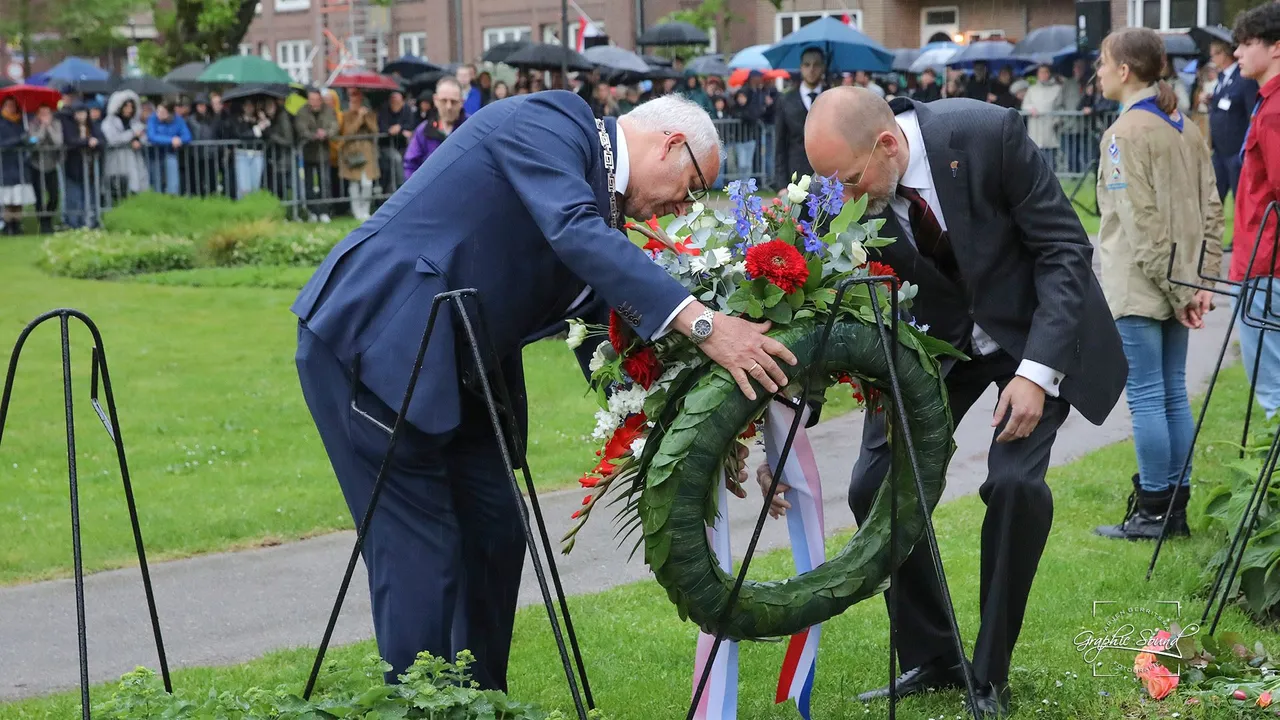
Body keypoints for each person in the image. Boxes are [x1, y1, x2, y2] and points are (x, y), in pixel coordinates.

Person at [291, 90, 793, 693]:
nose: (677, 209)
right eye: (689, 187)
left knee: (496, 528)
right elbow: (571, 231)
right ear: (669, 143)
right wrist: (706, 325)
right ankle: (420, 706)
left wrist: (696, 431)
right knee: (420, 550)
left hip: (459, 366)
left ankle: (479, 702)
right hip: (373, 339)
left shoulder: (599, 212)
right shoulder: (553, 121)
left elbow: (604, 342)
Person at [795, 86, 1125, 718]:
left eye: (848, 180)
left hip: (1031, 334)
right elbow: (819, 302)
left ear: (888, 145)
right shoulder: (839, 187)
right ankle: (935, 656)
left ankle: (990, 672)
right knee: (874, 487)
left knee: (1014, 487)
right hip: (937, 345)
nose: (839, 197)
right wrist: (789, 426)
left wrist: (1036, 373)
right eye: (827, 182)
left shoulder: (986, 133)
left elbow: (1064, 251)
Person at [1090, 27, 1223, 541]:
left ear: (1125, 70)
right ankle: (1175, 508)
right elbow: (1213, 208)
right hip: (1177, 283)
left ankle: (1152, 513)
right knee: (1171, 394)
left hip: (1145, 285)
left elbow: (1140, 222)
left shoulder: (1123, 135)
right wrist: (1198, 283)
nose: (1098, 71)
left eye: (1103, 62)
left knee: (1148, 396)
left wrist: (1182, 290)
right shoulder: (1186, 126)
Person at [1229, 2, 1280, 423]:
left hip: (1268, 267)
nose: (1237, 53)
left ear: (1276, 48)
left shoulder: (1276, 109)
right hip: (1263, 263)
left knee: (1272, 392)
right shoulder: (1267, 103)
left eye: (1248, 43)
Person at [1208, 38, 1259, 206]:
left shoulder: (1243, 78)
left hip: (1235, 151)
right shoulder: (1221, 78)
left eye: (1215, 53)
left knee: (1241, 200)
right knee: (1214, 199)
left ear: (1226, 53)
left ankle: (1241, 232)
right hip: (1219, 150)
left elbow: (1251, 113)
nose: (1212, 58)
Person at [774, 47, 825, 192]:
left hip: (827, 175)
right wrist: (782, 184)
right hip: (795, 174)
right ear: (801, 67)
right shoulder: (786, 100)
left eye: (816, 65)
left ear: (823, 67)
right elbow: (780, 143)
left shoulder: (832, 97)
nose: (811, 69)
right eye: (807, 65)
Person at [403, 76, 465, 179]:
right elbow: (411, 165)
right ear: (435, 100)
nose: (448, 107)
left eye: (453, 101)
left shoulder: (472, 127)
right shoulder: (423, 130)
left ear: (461, 102)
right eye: (444, 101)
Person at [295, 88, 340, 223]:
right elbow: (300, 128)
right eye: (311, 99)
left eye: (316, 99)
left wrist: (325, 133)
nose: (313, 102)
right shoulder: (302, 111)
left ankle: (325, 211)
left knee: (324, 182)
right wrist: (312, 135)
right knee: (308, 184)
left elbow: (334, 125)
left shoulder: (328, 110)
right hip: (308, 152)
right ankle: (312, 211)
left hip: (323, 153)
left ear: (320, 99)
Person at [101, 90, 149, 206]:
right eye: (126, 106)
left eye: (131, 107)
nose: (129, 110)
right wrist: (132, 134)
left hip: (133, 160)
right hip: (117, 162)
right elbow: (113, 139)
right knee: (117, 190)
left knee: (135, 188)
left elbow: (143, 136)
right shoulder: (109, 122)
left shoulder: (134, 122)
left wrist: (139, 141)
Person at [60, 102, 104, 229]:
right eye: (78, 113)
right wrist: (87, 142)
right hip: (74, 167)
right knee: (74, 196)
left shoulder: (93, 126)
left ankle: (91, 221)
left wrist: (95, 142)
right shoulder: (70, 127)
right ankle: (74, 222)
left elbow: (102, 140)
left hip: (91, 168)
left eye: (83, 113)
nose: (81, 116)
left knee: (90, 196)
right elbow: (70, 141)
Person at [339, 88, 380, 221]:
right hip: (352, 153)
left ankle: (365, 210)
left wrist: (366, 118)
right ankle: (356, 211)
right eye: (352, 100)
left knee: (367, 183)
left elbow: (375, 130)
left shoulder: (370, 114)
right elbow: (348, 132)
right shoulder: (345, 115)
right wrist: (359, 118)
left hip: (367, 153)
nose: (355, 103)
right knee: (354, 184)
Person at [0, 96, 34, 235]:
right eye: (8, 105)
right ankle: (8, 224)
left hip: (20, 163)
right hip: (5, 165)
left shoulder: (21, 122)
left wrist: (27, 140)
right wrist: (18, 140)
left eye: (13, 106)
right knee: (8, 196)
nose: (11, 108)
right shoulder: (2, 123)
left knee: (19, 195)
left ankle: (17, 223)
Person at [27, 103, 63, 233]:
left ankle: (48, 218)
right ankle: (43, 223)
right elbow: (35, 142)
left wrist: (49, 128)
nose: (45, 116)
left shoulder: (57, 124)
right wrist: (42, 127)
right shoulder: (32, 125)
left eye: (47, 113)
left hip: (51, 163)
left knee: (54, 195)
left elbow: (58, 142)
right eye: (42, 114)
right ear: (37, 115)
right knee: (39, 196)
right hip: (36, 164)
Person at [227, 98, 271, 198]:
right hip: (242, 154)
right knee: (244, 188)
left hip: (257, 154)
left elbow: (268, 135)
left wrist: (264, 120)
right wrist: (257, 129)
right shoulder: (238, 119)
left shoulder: (258, 119)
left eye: (251, 105)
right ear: (243, 107)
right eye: (247, 105)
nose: (249, 108)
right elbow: (240, 134)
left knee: (255, 186)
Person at [145, 102, 191, 195]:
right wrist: (171, 140)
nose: (158, 114)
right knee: (156, 184)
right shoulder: (152, 118)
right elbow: (152, 136)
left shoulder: (178, 120)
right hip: (154, 156)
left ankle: (172, 202)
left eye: (162, 112)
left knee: (173, 184)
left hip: (170, 153)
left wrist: (179, 140)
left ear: (170, 113)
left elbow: (187, 136)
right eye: (157, 111)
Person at [1021, 65, 1062, 168]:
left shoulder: (1057, 89)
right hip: (1035, 131)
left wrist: (1056, 121)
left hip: (1050, 131)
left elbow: (1061, 107)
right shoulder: (1032, 89)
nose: (1043, 75)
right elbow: (1024, 105)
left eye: (1046, 72)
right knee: (1036, 162)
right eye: (1041, 72)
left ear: (1049, 74)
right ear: (1038, 75)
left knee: (1050, 162)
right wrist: (1030, 109)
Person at [378, 89, 415, 192]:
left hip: (403, 145)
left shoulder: (406, 109)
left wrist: (400, 128)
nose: (396, 104)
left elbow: (411, 124)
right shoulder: (384, 110)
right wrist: (390, 130)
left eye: (398, 102)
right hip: (387, 146)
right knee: (396, 159)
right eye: (393, 102)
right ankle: (401, 187)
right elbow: (382, 127)